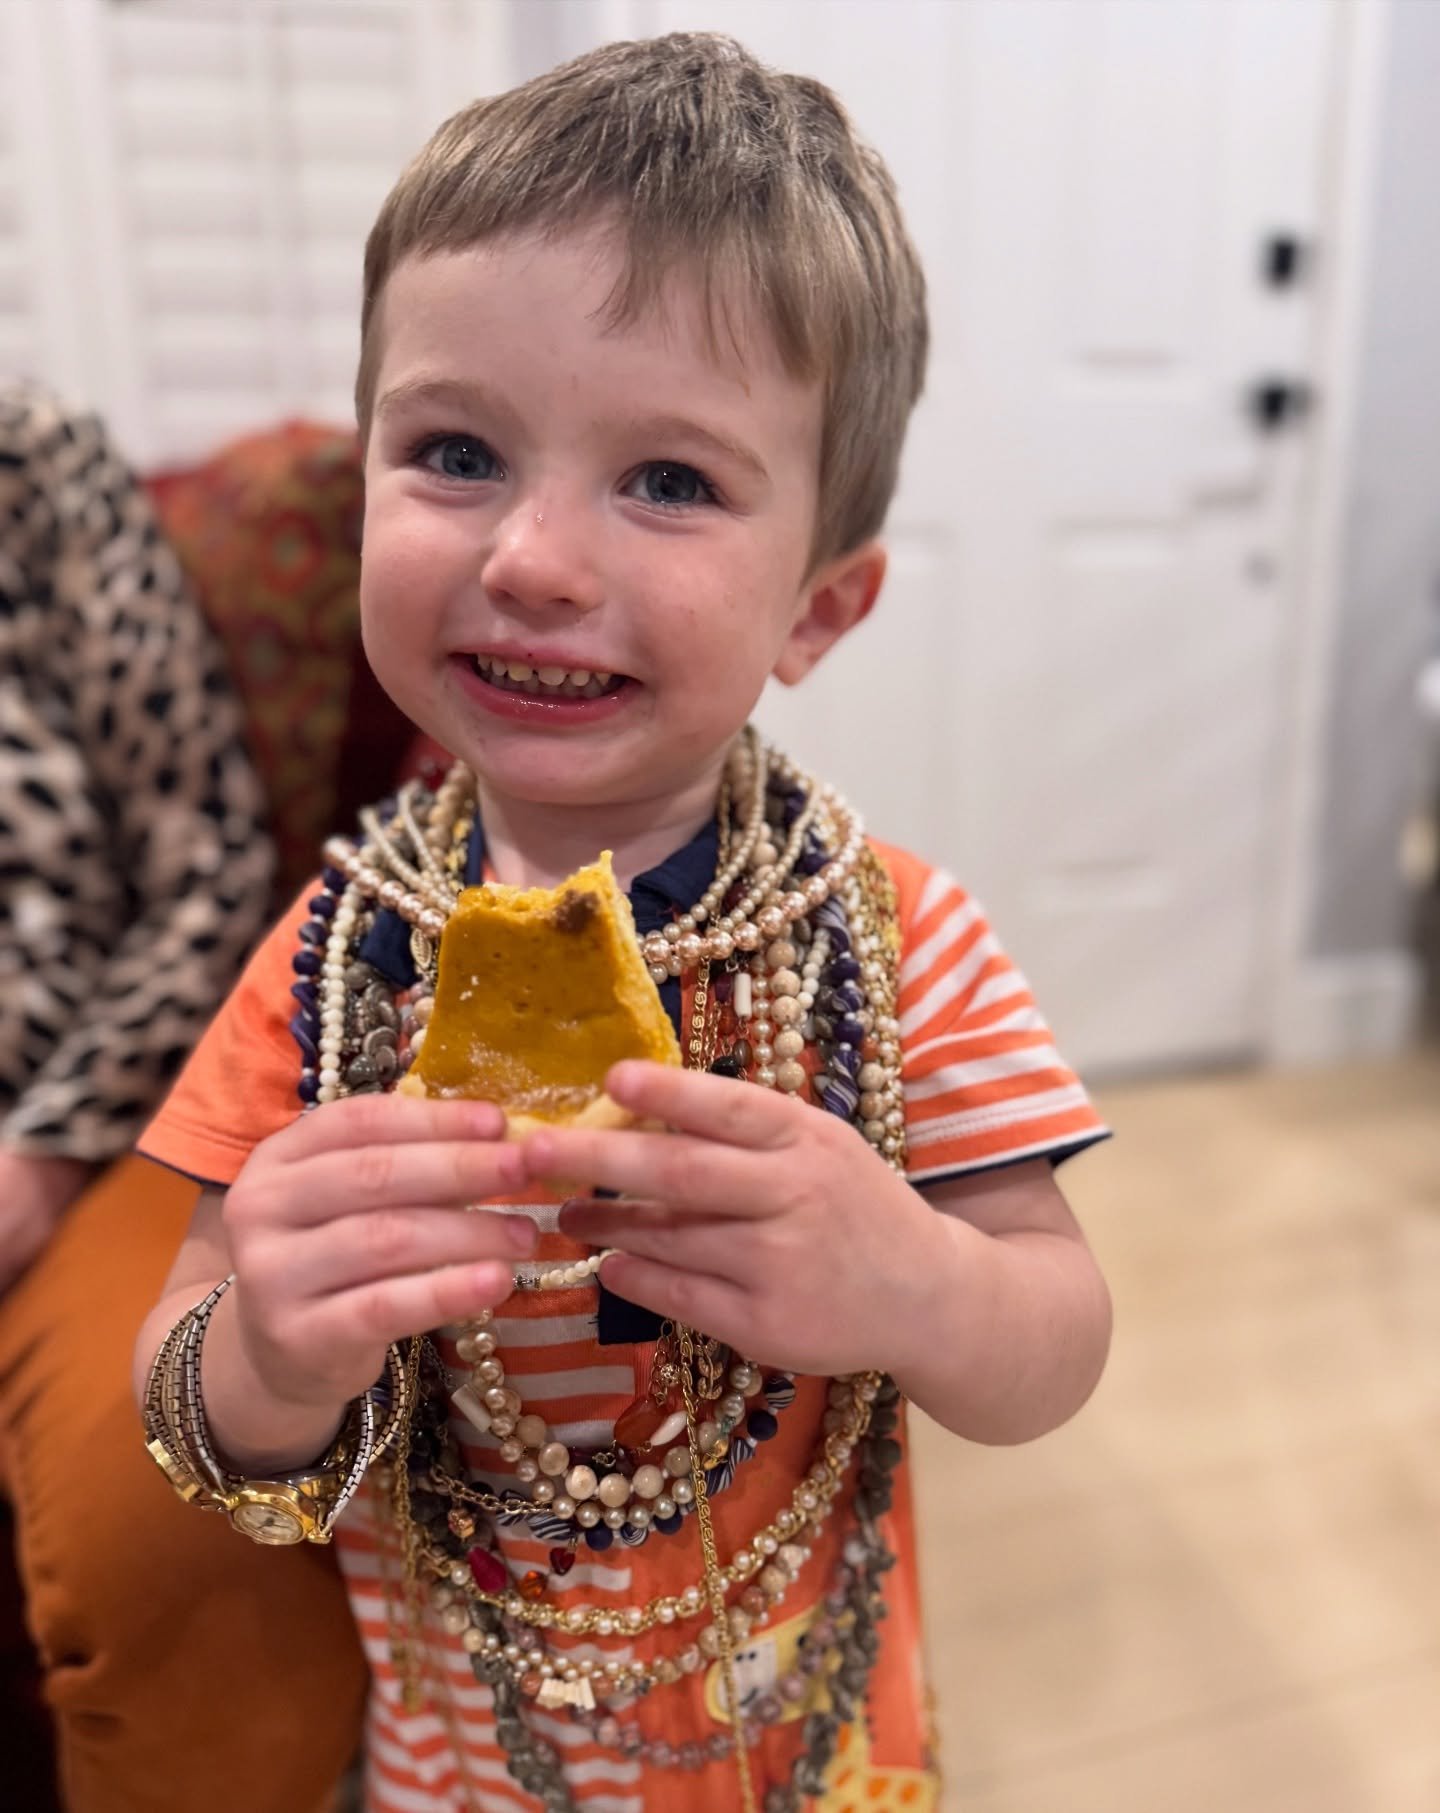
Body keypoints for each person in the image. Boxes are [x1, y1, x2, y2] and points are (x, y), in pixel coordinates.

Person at [134, 34, 1113, 1813]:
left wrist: (913, 1279)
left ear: (819, 606)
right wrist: (268, 1350)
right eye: (454, 450)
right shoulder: (330, 960)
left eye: (667, 480)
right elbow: (185, 1375)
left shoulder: (902, 943)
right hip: (457, 1763)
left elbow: (1054, 1338)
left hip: (809, 1748)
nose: (533, 559)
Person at [0, 381, 368, 1812]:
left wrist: (34, 1158)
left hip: (73, 1116)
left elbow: (205, 862)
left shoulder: (31, 466)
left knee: (178, 1552)